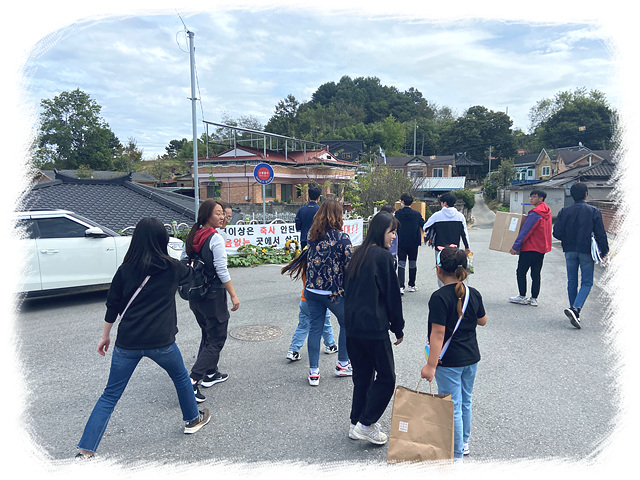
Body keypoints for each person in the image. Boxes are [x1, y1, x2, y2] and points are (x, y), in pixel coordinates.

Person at [76, 218, 210, 460]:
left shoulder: (125, 270)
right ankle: (192, 420)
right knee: (181, 377)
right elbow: (191, 274)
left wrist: (105, 336)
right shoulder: (171, 268)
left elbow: (113, 305)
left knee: (110, 395)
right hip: (162, 342)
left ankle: (86, 451)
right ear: (162, 239)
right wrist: (191, 260)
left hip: (127, 343)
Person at [421, 246, 487, 462]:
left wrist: (431, 365)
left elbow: (438, 333)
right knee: (465, 401)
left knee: (452, 405)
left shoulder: (439, 297)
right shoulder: (473, 293)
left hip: (448, 361)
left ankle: (456, 453)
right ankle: (464, 442)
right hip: (471, 358)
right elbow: (482, 321)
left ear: (438, 269)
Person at [345, 211, 404, 445]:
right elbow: (392, 296)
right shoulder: (383, 257)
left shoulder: (357, 253)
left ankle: (356, 422)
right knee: (387, 377)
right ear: (381, 231)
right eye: (391, 232)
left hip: (352, 327)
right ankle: (366, 424)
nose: (394, 236)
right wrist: (398, 327)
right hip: (374, 327)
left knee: (363, 376)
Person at [282, 199, 353, 386]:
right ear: (338, 216)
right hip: (333, 292)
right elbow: (350, 265)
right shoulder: (342, 237)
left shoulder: (312, 236)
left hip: (312, 290)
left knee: (315, 329)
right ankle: (343, 364)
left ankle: (314, 372)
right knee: (347, 324)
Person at [183, 199, 240, 403]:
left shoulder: (193, 235)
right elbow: (221, 270)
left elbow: (184, 261)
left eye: (223, 213)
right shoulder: (215, 238)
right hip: (213, 295)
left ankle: (211, 372)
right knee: (216, 338)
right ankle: (192, 380)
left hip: (196, 294)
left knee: (207, 333)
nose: (222, 217)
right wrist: (233, 294)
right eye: (218, 213)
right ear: (208, 215)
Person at [552, 183, 609, 329]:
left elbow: (556, 233)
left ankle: (574, 311)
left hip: (569, 250)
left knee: (572, 281)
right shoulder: (593, 211)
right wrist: (604, 252)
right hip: (586, 250)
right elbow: (600, 233)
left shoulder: (564, 211)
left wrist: (567, 238)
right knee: (587, 282)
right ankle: (576, 309)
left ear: (571, 195)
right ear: (586, 194)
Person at [508, 189, 553, 306]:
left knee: (521, 272)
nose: (531, 199)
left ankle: (522, 296)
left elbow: (526, 231)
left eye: (534, 197)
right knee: (536, 273)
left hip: (530, 247)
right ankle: (534, 298)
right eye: (531, 196)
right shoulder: (547, 213)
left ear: (541, 199)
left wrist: (515, 246)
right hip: (541, 248)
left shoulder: (535, 213)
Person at [423, 192, 471, 287]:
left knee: (441, 270)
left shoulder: (437, 216)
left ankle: (442, 289)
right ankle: (454, 287)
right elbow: (464, 233)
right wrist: (467, 247)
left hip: (440, 249)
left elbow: (425, 227)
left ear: (444, 203)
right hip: (454, 249)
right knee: (453, 269)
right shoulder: (460, 216)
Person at [286, 280, 338, 361]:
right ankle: (330, 345)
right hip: (320, 300)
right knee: (325, 324)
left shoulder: (305, 271)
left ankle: (293, 350)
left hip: (305, 300)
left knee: (303, 325)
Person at [394, 193, 425, 293]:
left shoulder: (397, 214)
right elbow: (424, 225)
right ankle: (412, 285)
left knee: (401, 263)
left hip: (401, 242)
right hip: (413, 242)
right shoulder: (417, 214)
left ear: (402, 202)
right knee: (413, 263)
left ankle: (400, 286)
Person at [295, 183, 322, 250]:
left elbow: (298, 226)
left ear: (309, 197)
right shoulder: (321, 210)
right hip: (317, 239)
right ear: (318, 198)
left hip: (304, 238)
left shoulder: (301, 210)